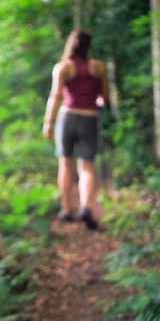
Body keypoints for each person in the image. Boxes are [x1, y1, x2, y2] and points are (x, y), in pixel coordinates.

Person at [42, 29, 109, 230]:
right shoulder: (98, 67)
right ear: (89, 47)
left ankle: (66, 209)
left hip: (67, 117)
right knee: (87, 165)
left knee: (65, 163)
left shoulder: (63, 67)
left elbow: (55, 96)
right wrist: (96, 99)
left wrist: (48, 122)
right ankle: (86, 207)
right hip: (89, 117)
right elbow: (104, 98)